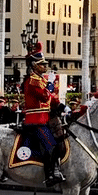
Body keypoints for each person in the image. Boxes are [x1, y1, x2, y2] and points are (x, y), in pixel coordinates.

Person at [21, 51, 65, 187]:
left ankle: (57, 169)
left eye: (45, 64)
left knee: (60, 139)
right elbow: (45, 96)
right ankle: (50, 174)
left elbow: (51, 99)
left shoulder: (41, 80)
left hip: (45, 118)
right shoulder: (33, 81)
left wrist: (62, 106)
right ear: (34, 65)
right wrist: (50, 85)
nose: (45, 66)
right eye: (42, 64)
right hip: (35, 120)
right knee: (50, 144)